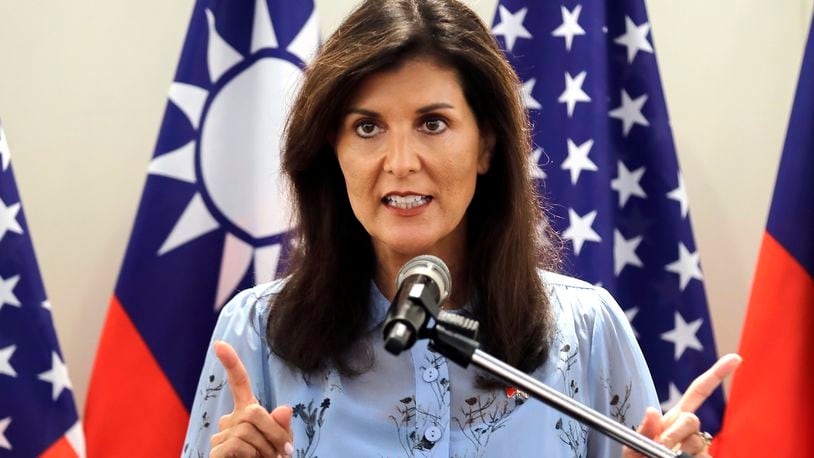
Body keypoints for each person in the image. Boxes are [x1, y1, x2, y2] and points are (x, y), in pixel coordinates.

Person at [182, 0, 740, 457]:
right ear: (333, 151)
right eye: (368, 126)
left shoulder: (587, 330)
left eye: (433, 123)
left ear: (487, 146)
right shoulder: (257, 331)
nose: (400, 162)